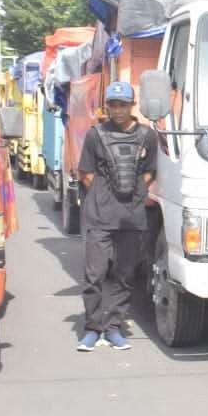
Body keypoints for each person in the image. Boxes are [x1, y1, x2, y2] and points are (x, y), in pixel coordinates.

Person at [77, 81, 156, 351]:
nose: (118, 110)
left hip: (131, 218)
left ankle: (113, 328)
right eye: (113, 105)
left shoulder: (147, 136)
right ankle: (92, 328)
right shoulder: (95, 135)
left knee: (124, 275)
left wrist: (132, 197)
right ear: (106, 106)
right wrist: (104, 198)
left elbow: (149, 172)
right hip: (100, 216)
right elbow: (86, 173)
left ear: (132, 106)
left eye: (123, 105)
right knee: (94, 275)